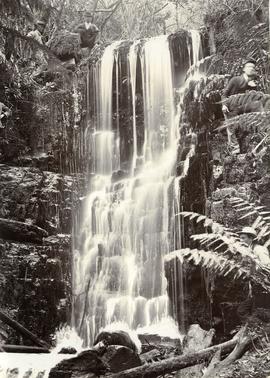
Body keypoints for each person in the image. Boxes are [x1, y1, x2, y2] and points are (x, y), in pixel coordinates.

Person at [222, 59, 258, 154]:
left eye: (253, 67)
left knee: (243, 129)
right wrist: (224, 105)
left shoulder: (253, 83)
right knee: (231, 128)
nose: (251, 69)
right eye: (249, 67)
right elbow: (225, 93)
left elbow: (254, 99)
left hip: (244, 109)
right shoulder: (235, 80)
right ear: (244, 69)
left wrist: (253, 87)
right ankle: (234, 149)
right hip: (231, 108)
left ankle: (247, 147)